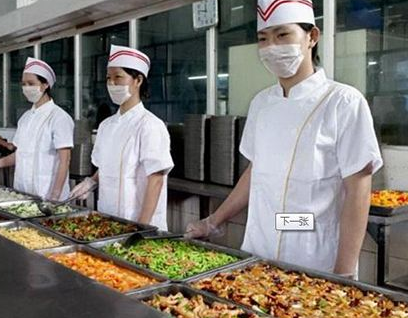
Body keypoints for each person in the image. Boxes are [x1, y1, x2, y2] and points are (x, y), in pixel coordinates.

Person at [186, 0, 383, 277]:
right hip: (257, 251)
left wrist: (344, 274)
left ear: (312, 37)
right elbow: (257, 171)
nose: (271, 47)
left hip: (314, 256)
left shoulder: (343, 102)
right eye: (263, 39)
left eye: (282, 35)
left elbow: (359, 189)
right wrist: (213, 221)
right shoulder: (262, 103)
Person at [70, 45, 174, 230]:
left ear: (138, 80)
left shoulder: (150, 125)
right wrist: (91, 182)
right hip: (108, 219)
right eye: (108, 78)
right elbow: (105, 167)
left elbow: (156, 180)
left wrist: (141, 227)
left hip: (139, 220)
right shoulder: (106, 126)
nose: (112, 84)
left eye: (118, 77)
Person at [0, 57, 74, 200]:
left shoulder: (59, 117)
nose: (26, 88)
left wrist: (55, 196)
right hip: (23, 194)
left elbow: (65, 160)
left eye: (31, 83)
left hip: (48, 195)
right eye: (24, 84)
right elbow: (20, 155)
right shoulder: (25, 118)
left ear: (45, 84)